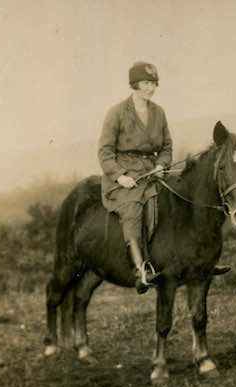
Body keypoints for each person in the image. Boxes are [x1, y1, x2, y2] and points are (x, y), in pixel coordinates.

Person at [98, 61, 172, 294]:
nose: (150, 88)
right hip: (125, 175)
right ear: (134, 85)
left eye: (153, 83)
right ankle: (140, 269)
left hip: (151, 172)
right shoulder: (117, 112)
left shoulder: (158, 112)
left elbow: (167, 146)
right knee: (133, 208)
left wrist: (161, 164)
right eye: (146, 83)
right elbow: (105, 151)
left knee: (174, 200)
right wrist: (120, 177)